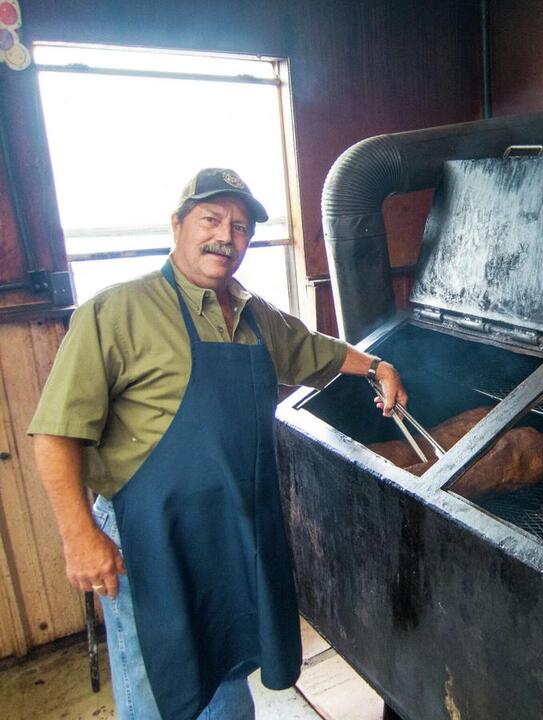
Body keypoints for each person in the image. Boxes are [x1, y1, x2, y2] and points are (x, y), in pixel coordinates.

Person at [28, 168, 407, 720]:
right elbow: (55, 434)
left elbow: (316, 350)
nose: (226, 236)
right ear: (177, 225)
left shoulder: (255, 315)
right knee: (161, 681)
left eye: (240, 227)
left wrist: (377, 363)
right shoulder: (116, 312)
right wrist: (78, 536)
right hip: (149, 536)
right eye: (211, 219)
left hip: (231, 526)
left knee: (225, 660)